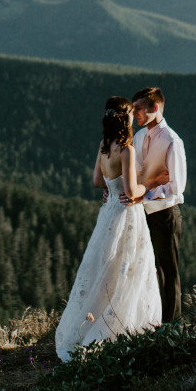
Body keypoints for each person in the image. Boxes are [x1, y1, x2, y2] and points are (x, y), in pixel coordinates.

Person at [54, 97, 162, 361]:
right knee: (129, 268)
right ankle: (121, 327)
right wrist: (149, 185)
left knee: (106, 268)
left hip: (108, 214)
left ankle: (97, 321)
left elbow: (96, 180)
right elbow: (131, 190)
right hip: (127, 215)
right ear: (124, 120)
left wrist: (109, 190)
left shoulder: (103, 146)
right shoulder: (126, 149)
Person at [122, 86, 186, 322]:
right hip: (140, 215)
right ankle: (150, 321)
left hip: (165, 214)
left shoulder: (172, 141)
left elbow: (177, 187)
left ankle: (172, 324)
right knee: (147, 270)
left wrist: (144, 195)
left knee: (168, 271)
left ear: (155, 108)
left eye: (138, 108)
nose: (134, 113)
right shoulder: (138, 137)